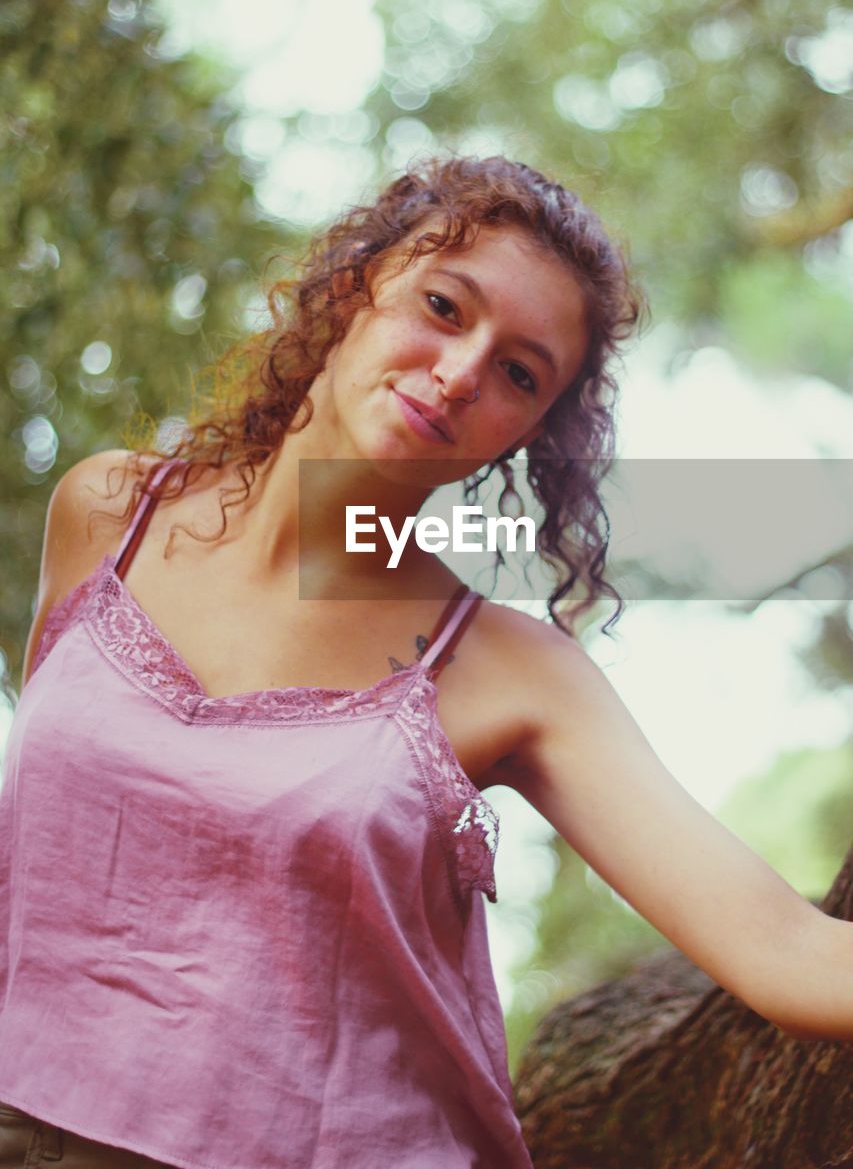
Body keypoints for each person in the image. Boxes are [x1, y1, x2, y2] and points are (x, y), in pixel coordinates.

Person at [0, 155, 850, 1169]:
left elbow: (790, 955)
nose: (459, 374)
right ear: (354, 284)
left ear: (525, 437)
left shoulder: (509, 675)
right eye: (444, 307)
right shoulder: (109, 514)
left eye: (518, 373)